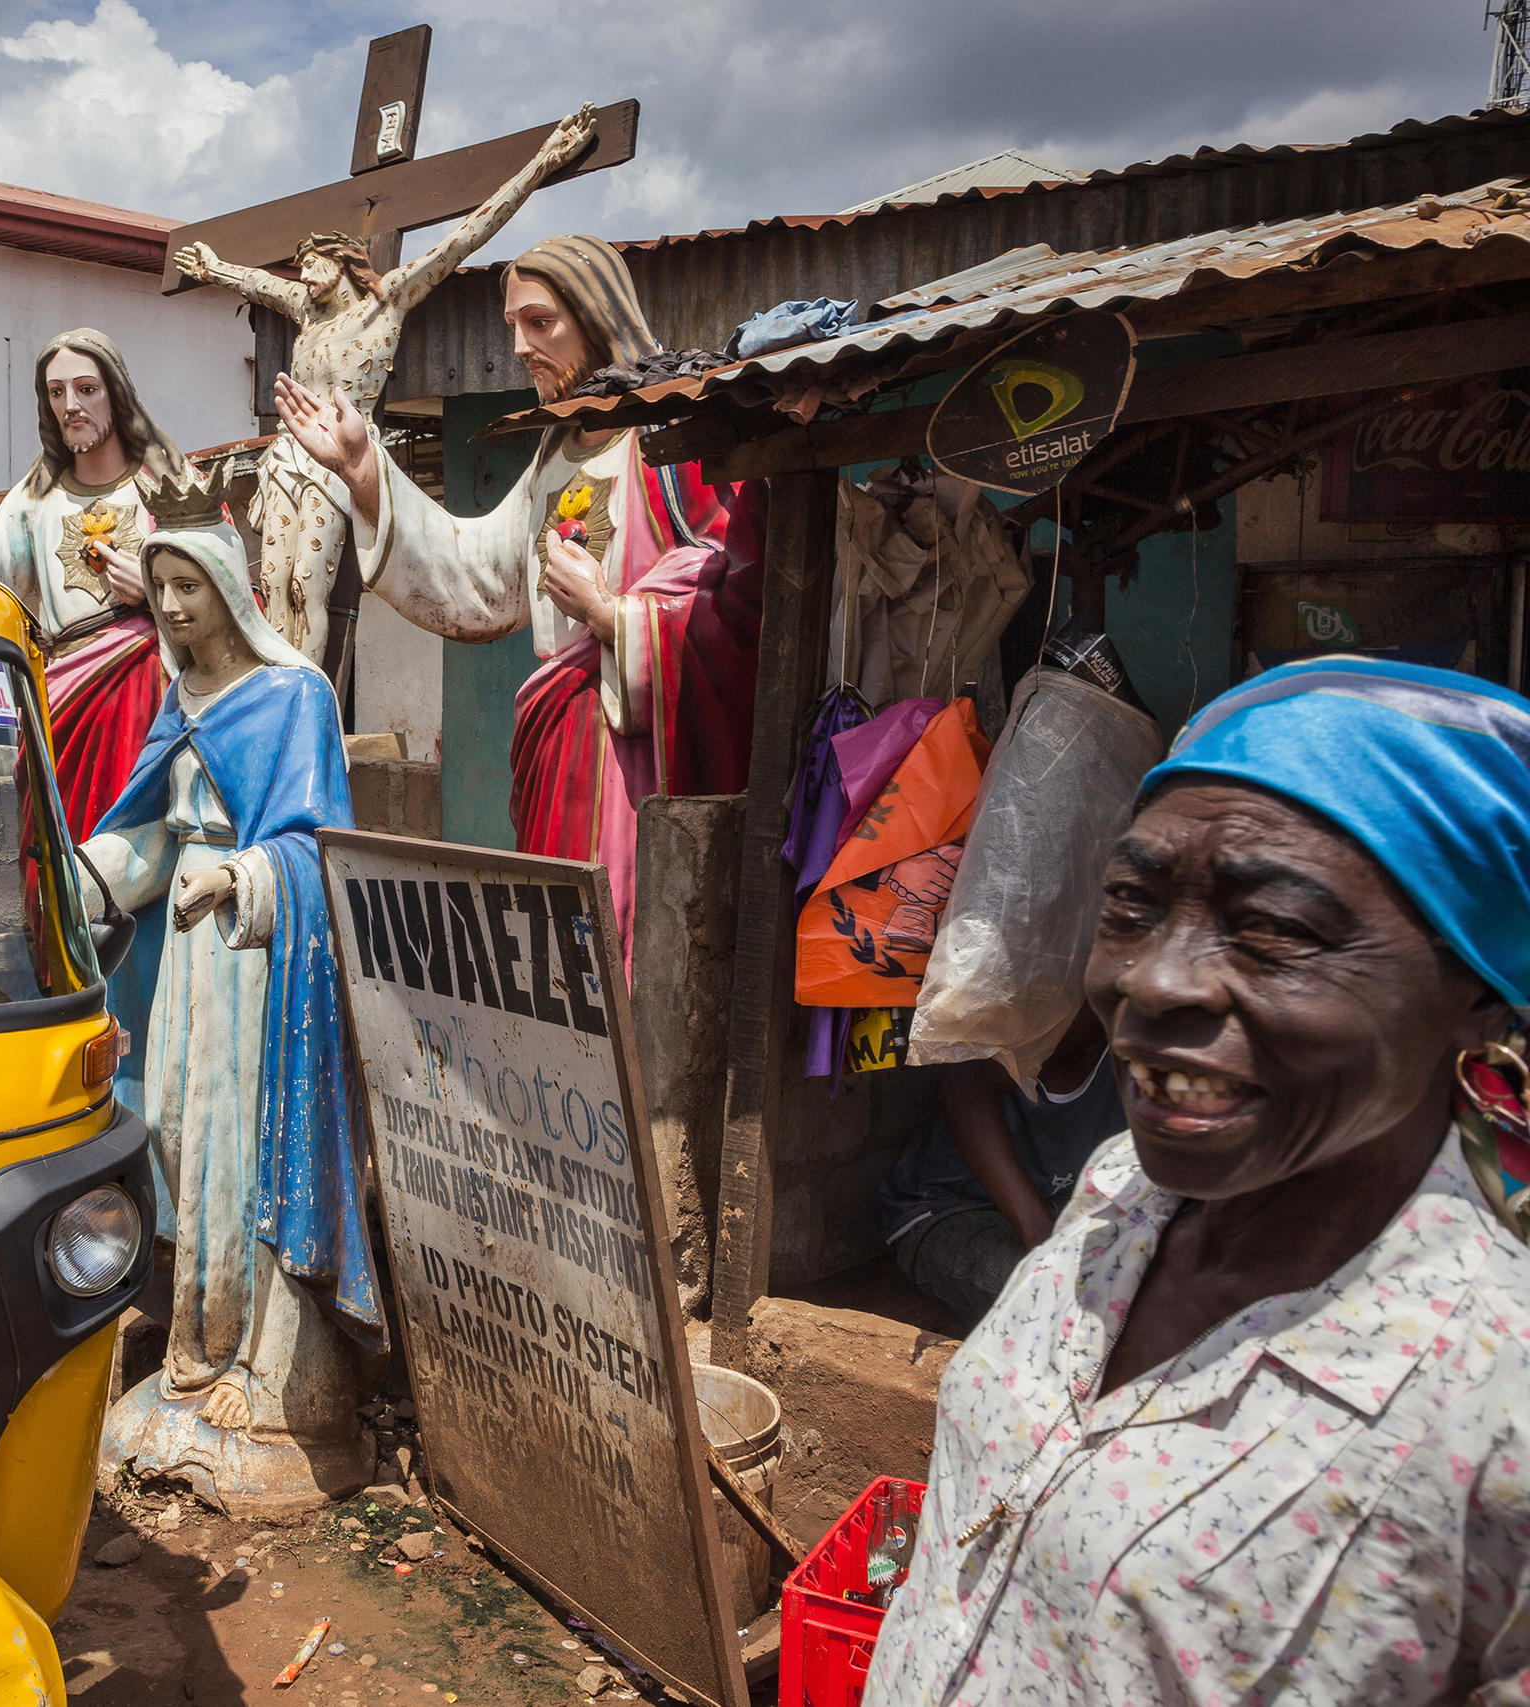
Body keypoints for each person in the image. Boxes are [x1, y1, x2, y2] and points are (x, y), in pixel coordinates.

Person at [872, 656, 1530, 1705]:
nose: (1150, 979)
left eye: (1275, 928)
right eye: (1130, 905)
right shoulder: (1117, 1194)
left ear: (1477, 999)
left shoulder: (1491, 1405)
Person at [274, 235, 763, 954]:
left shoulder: (671, 442)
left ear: (596, 317)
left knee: (625, 962)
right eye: (513, 327)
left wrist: (613, 617)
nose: (522, 346)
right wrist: (363, 470)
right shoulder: (554, 454)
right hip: (556, 759)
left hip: (638, 771)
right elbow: (475, 578)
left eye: (541, 323)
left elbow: (743, 599)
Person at [79, 508, 379, 1468]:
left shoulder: (295, 696)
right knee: (174, 1133)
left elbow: (315, 848)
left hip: (260, 970)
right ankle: (194, 1353)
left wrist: (241, 878)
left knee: (237, 1147)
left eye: (187, 587)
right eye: (158, 588)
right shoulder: (181, 704)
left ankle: (257, 1365)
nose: (168, 607)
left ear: (226, 589)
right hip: (185, 966)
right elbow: (150, 837)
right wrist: (78, 874)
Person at [173, 103, 596, 664]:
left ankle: (309, 695)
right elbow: (255, 282)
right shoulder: (306, 310)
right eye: (299, 266)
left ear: (343, 260)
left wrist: (540, 163)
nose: (303, 274)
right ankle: (271, 691)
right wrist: (212, 268)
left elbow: (464, 239)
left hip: (343, 453)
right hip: (287, 455)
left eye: (314, 262)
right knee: (273, 585)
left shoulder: (386, 302)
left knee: (307, 583)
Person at [0, 328, 190, 838]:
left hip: (152, 705)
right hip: (66, 707)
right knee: (63, 860)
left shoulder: (167, 486)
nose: (70, 404)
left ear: (115, 392)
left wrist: (157, 590)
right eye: (56, 392)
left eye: (86, 388)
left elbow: (224, 587)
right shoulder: (35, 499)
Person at [879, 1007, 1122, 1326]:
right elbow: (963, 1084)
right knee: (1066, 1307)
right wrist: (1040, 1232)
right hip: (951, 1209)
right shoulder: (1094, 1022)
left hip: (1054, 1205)